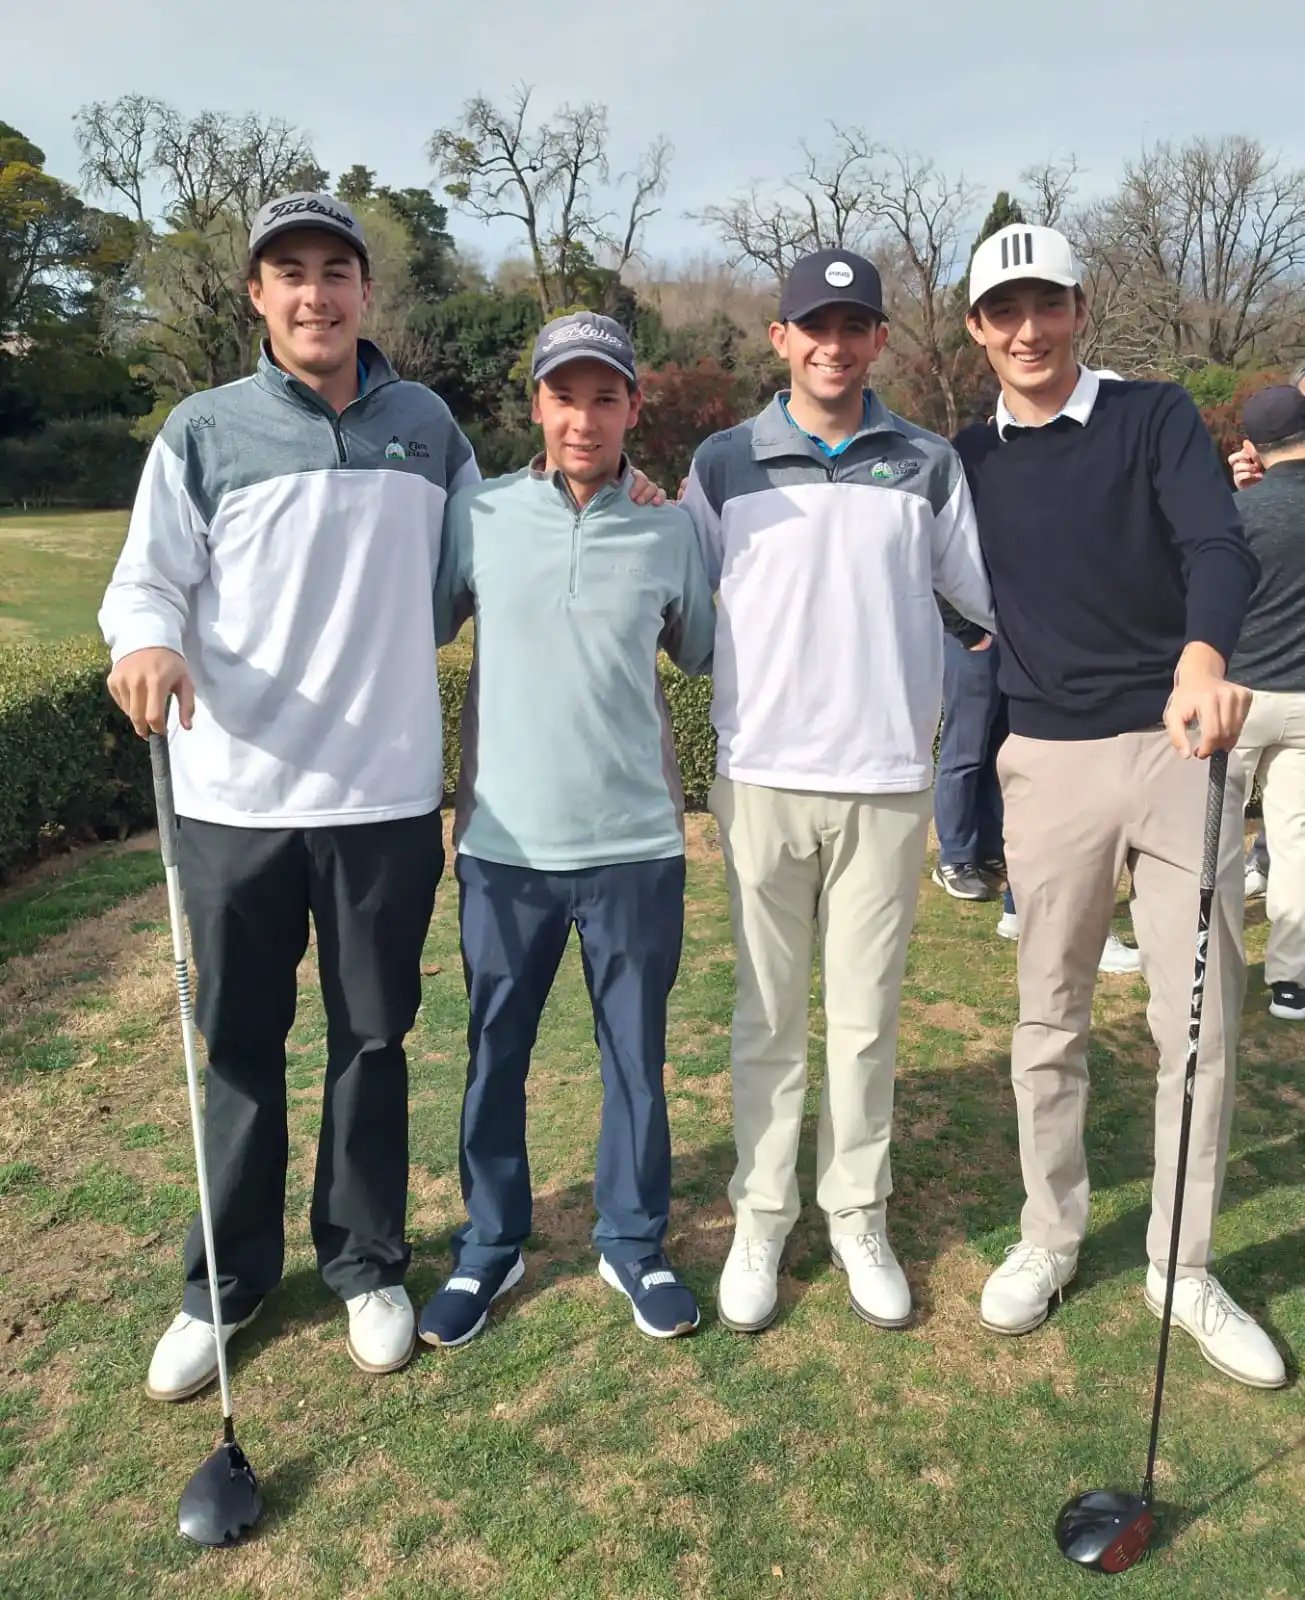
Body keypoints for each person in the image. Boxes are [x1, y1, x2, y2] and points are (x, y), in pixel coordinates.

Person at [99, 194, 663, 1400]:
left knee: (372, 1041)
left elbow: (504, 540)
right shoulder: (203, 430)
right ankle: (228, 1281)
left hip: (384, 800)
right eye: (288, 272)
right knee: (241, 1045)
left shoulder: (429, 429)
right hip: (235, 799)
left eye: (335, 271)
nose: (314, 293)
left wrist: (631, 499)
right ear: (257, 295)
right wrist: (147, 640)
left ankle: (363, 1259)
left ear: (366, 292)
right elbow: (146, 580)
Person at [955, 221, 1285, 1389]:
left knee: (1195, 1022)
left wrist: (1203, 655)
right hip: (1045, 762)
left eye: (1047, 305)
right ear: (977, 328)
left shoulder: (1149, 417)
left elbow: (1218, 547)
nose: (1028, 330)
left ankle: (1181, 1265)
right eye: (1005, 312)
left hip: (1173, 742)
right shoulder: (968, 456)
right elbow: (941, 587)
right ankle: (1050, 1237)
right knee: (1048, 1020)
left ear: (1080, 308)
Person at [681, 249, 994, 1335]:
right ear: (780, 338)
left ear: (879, 342)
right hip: (763, 778)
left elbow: (980, 603)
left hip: (887, 781)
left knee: (864, 1022)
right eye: (815, 324)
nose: (834, 343)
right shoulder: (722, 463)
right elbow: (682, 610)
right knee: (768, 1016)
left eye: (855, 325)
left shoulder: (925, 463)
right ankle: (763, 1216)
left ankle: (856, 1209)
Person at [417, 314, 716, 1348]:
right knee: (496, 1051)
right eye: (564, 396)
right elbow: (415, 622)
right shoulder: (479, 513)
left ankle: (633, 1243)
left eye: (605, 397)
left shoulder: (670, 526)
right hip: (505, 846)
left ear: (634, 408)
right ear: (535, 406)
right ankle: (488, 1248)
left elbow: (704, 650)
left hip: (635, 844)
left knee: (636, 1054)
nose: (582, 418)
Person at [1228, 385, 1305, 1020]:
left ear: (1251, 447)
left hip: (1238, 697)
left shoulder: (1236, 513)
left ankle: (1214, 969)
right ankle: (1291, 984)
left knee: (1215, 842)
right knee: (1296, 846)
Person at [931, 599, 1006, 902]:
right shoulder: (961, 546)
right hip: (972, 642)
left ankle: (988, 851)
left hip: (1007, 640)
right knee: (964, 752)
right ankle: (954, 859)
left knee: (997, 752)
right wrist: (970, 635)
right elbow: (941, 577)